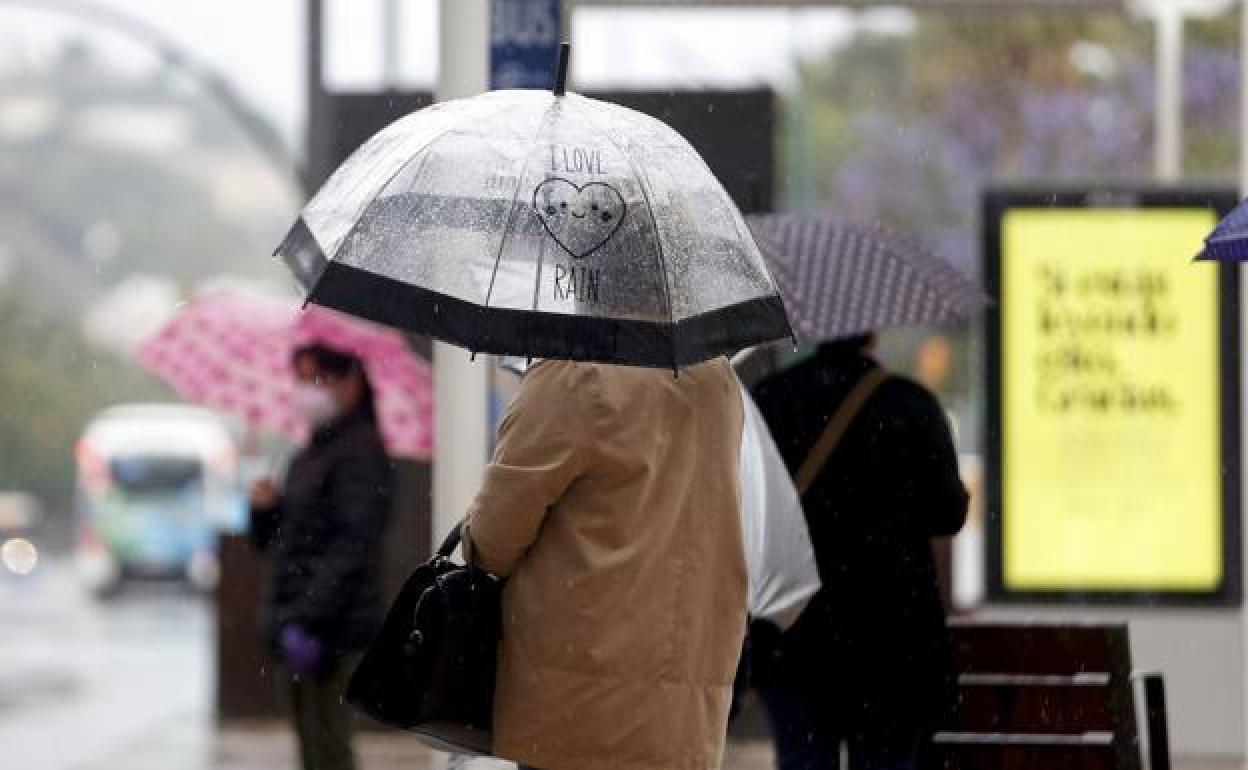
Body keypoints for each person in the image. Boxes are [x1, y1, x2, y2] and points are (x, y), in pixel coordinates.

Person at [463, 357, 748, 770]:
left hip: (578, 695)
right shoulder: (716, 380)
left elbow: (493, 539)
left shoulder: (576, 373)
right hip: (686, 689)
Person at [749, 334, 969, 770]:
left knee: (803, 758)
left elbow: (744, 508)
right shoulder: (910, 405)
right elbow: (947, 515)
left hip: (796, 636)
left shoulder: (769, 401)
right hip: (891, 644)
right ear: (869, 333)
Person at [249, 343, 394, 770]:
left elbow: (353, 545)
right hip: (298, 626)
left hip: (333, 633)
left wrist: (308, 618)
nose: (305, 390)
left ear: (350, 383)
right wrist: (263, 511)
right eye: (300, 378)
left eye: (317, 378)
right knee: (311, 752)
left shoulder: (361, 453)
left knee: (329, 751)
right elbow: (281, 544)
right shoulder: (308, 453)